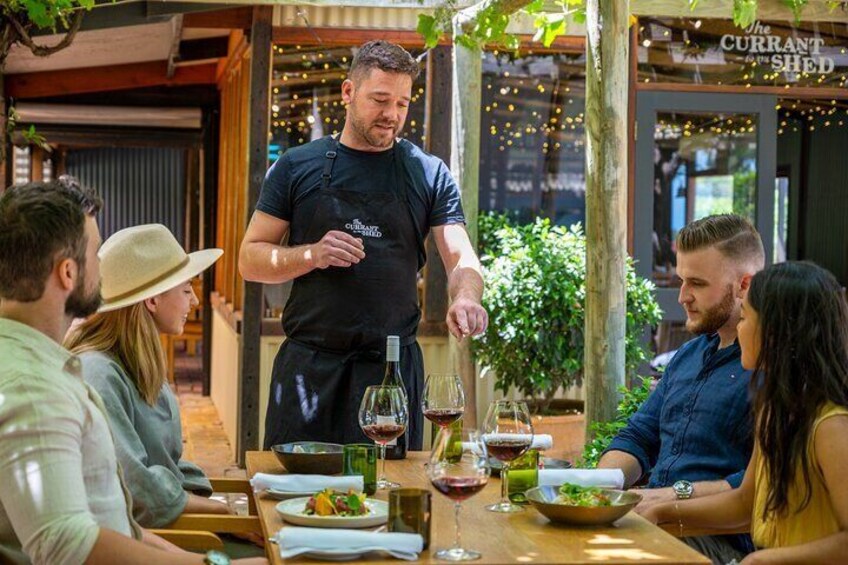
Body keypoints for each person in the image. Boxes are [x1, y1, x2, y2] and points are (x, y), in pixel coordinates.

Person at [0, 178, 266, 565]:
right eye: (95, 253)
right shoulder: (33, 387)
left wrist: (216, 561)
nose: (104, 270)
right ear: (68, 273)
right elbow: (67, 544)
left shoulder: (39, 366)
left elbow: (117, 521)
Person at [239, 40, 488, 449]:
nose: (392, 115)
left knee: (390, 501)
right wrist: (310, 255)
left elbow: (461, 256)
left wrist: (466, 297)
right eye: (380, 99)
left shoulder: (427, 173)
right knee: (296, 499)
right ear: (348, 92)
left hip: (389, 374)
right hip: (309, 370)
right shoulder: (295, 166)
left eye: (403, 104)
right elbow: (250, 259)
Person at [643, 261, 848, 564]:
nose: (738, 328)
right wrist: (660, 512)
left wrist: (762, 561)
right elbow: (745, 503)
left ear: (779, 333)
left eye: (747, 317)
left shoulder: (830, 425)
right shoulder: (773, 410)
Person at [598, 214, 765, 564]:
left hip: (720, 541)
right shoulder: (689, 354)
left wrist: (666, 499)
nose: (682, 297)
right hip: (658, 520)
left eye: (698, 284)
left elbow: (758, 485)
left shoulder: (771, 367)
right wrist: (599, 485)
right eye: (680, 280)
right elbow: (639, 436)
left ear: (744, 285)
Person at [64, 224, 229, 528]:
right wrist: (224, 514)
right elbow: (135, 489)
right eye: (186, 289)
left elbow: (162, 468)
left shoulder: (135, 365)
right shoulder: (98, 373)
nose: (193, 302)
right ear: (152, 301)